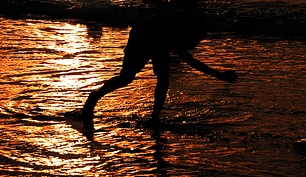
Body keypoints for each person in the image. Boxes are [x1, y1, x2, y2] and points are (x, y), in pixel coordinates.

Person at [81, 12, 237, 128]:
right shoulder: (173, 34)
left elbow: (190, 59)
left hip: (154, 34)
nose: (196, 45)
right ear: (191, 32)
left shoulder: (179, 30)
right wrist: (220, 75)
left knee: (163, 78)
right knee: (126, 78)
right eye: (196, 40)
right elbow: (191, 61)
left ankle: (155, 117)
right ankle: (94, 98)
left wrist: (220, 75)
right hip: (142, 35)